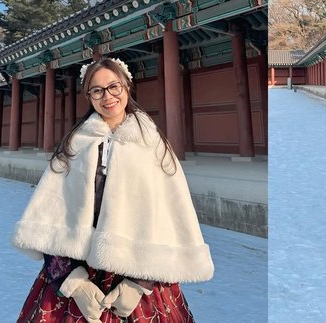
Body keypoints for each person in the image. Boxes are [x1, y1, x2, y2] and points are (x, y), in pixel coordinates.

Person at [12, 57, 214, 322]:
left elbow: (171, 218)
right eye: (97, 90)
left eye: (114, 87)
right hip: (79, 272)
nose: (107, 96)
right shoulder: (75, 146)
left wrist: (141, 283)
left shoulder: (152, 145)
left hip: (140, 277)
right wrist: (72, 281)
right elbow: (49, 216)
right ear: (89, 96)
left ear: (126, 87)